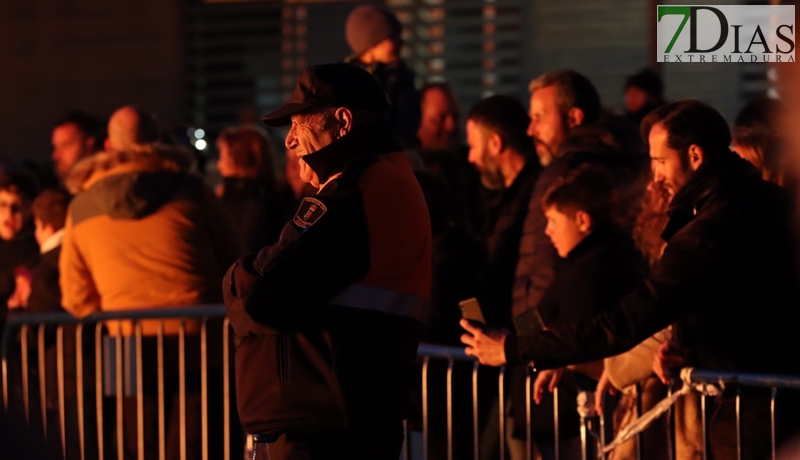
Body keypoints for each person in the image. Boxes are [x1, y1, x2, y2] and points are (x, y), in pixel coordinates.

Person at [461, 100, 800, 460]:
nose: (654, 176)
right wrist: (691, 345)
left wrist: (514, 348)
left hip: (749, 416)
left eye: (660, 162)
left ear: (695, 157)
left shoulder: (707, 232)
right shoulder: (772, 203)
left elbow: (623, 322)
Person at [223, 63, 431, 460]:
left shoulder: (354, 191)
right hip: (352, 407)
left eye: (300, 125)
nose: (290, 142)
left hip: (328, 417)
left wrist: (233, 278)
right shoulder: (388, 178)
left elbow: (259, 297)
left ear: (343, 122)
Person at [60, 141, 242, 460]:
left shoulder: (81, 206)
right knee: (198, 445)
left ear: (109, 146)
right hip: (199, 338)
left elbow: (75, 297)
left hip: (124, 344)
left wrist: (113, 313)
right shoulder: (193, 190)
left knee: (139, 444)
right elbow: (235, 260)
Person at [344, 4, 421, 148]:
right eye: (392, 37)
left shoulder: (400, 77)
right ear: (372, 43)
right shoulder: (346, 80)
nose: (400, 43)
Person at [215, 124, 286, 253]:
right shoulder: (268, 194)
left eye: (223, 156)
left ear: (238, 158)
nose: (219, 165)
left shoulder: (252, 202)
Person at [51, 111, 103, 184]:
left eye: (66, 145)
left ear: (89, 143)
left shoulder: (106, 185)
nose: (56, 156)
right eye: (56, 147)